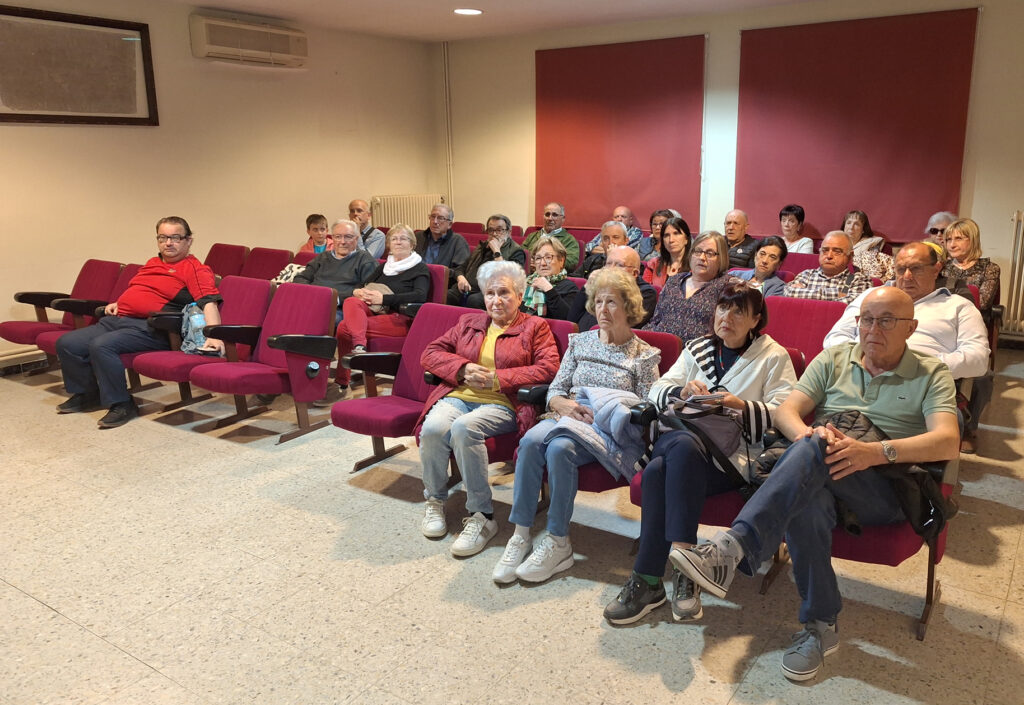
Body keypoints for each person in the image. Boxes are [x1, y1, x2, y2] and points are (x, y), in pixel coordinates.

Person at [671, 286, 960, 682]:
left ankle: (734, 547)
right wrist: (809, 438)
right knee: (810, 484)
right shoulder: (835, 358)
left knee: (816, 449)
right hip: (824, 470)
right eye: (866, 320)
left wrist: (874, 452)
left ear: (910, 328)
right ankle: (821, 626)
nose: (873, 329)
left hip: (884, 486)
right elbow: (787, 412)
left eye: (886, 321)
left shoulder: (931, 372)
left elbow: (947, 440)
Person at [603, 282, 796, 624]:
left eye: (739, 311)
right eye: (722, 308)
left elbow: (785, 412)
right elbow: (658, 388)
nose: (727, 317)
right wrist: (682, 390)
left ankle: (648, 581)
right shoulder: (698, 347)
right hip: (685, 441)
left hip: (731, 458)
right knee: (682, 446)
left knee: (657, 471)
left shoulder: (773, 355)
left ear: (756, 319)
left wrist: (740, 405)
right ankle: (686, 565)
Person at [494, 268, 661, 584]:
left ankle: (558, 541)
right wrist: (564, 405)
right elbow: (556, 390)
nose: (603, 309)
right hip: (567, 417)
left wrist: (608, 410)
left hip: (607, 431)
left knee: (560, 449)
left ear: (629, 307)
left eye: (612, 302)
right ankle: (521, 534)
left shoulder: (644, 355)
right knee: (530, 442)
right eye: (598, 301)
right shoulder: (580, 343)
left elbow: (647, 410)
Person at [416, 261, 560, 556]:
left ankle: (482, 515)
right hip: (459, 396)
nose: (496, 300)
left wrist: (498, 379)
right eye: (490, 293)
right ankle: (435, 500)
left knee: (464, 427)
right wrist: (462, 368)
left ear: (519, 295)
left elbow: (549, 368)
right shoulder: (469, 322)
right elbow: (430, 353)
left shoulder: (535, 327)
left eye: (504, 293)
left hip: (504, 402)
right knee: (432, 428)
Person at [56, 216, 223, 428]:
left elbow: (209, 302)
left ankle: (122, 404)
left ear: (188, 241)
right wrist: (120, 302)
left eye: (175, 238)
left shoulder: (195, 269)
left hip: (152, 328)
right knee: (68, 343)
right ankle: (88, 394)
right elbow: (141, 290)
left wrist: (214, 335)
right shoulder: (153, 263)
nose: (168, 243)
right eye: (163, 238)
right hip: (118, 320)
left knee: (102, 346)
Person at [823, 242, 989, 382]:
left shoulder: (959, 306)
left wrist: (917, 366)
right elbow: (835, 337)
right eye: (901, 269)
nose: (907, 276)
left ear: (936, 269)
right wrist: (867, 360)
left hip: (921, 385)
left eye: (916, 269)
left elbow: (978, 359)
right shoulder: (871, 296)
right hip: (858, 378)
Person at [327, 224, 430, 405]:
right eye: (394, 239)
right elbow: (364, 284)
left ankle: (343, 381)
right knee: (351, 301)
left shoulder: (419, 268)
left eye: (403, 238)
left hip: (401, 318)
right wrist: (360, 292)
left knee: (344, 327)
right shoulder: (384, 267)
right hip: (375, 313)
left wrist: (384, 298)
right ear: (389, 244)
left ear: (412, 244)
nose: (398, 242)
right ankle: (359, 347)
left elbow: (420, 296)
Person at [940, 218, 1001, 453]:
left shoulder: (989, 268)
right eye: (948, 239)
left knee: (984, 377)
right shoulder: (942, 266)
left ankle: (969, 427)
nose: (952, 244)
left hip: (971, 326)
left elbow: (982, 301)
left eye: (958, 238)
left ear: (972, 239)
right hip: (944, 325)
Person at [644, 231, 732, 343]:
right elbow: (655, 320)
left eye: (710, 253)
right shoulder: (674, 280)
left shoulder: (726, 286)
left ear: (721, 258)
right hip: (658, 347)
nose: (702, 257)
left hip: (698, 351)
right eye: (698, 251)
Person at [294, 219, 378, 325]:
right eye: (338, 237)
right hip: (313, 302)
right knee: (285, 312)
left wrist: (335, 298)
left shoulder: (365, 260)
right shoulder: (323, 257)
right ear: (332, 238)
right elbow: (300, 278)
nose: (342, 242)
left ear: (356, 239)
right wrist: (312, 293)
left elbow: (366, 293)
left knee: (319, 319)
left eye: (348, 237)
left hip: (340, 308)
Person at [568, 245, 657, 330]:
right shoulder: (599, 286)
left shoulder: (645, 292)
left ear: (634, 273)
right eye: (608, 264)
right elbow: (572, 320)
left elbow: (622, 327)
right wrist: (587, 287)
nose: (611, 269)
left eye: (619, 265)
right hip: (580, 337)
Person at [447, 214, 526, 308]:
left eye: (499, 230)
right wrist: (461, 278)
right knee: (447, 295)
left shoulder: (516, 251)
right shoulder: (482, 246)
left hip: (493, 291)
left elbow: (510, 279)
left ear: (509, 232)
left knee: (474, 300)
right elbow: (461, 267)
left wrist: (497, 252)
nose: (494, 234)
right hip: (468, 287)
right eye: (491, 230)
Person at [782, 231, 872, 303]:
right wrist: (836, 294)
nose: (829, 256)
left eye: (837, 251)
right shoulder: (806, 275)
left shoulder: (860, 280)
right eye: (825, 250)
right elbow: (789, 292)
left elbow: (851, 304)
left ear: (850, 256)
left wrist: (805, 292)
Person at [521, 236, 579, 320]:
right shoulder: (526, 283)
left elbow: (568, 320)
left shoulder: (569, 287)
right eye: (538, 258)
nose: (542, 263)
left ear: (561, 261)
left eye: (548, 257)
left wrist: (548, 289)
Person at [415, 203, 470, 287]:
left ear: (449, 224)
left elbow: (460, 270)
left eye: (440, 218)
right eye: (433, 216)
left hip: (442, 285)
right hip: (416, 282)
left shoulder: (458, 241)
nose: (435, 221)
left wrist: (438, 272)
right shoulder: (418, 237)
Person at [522, 202, 580, 271]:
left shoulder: (569, 240)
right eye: (547, 214)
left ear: (563, 219)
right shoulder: (532, 236)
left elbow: (571, 262)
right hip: (528, 273)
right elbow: (520, 253)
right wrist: (528, 261)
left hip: (552, 275)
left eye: (554, 215)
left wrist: (543, 262)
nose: (550, 218)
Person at [842, 210, 893, 281]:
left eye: (856, 224)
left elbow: (888, 272)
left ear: (863, 229)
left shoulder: (875, 245)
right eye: (848, 223)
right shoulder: (834, 244)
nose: (851, 227)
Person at [643, 216, 690, 289]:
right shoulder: (653, 264)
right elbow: (644, 291)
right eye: (666, 235)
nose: (671, 240)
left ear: (686, 239)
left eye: (676, 233)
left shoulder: (695, 267)